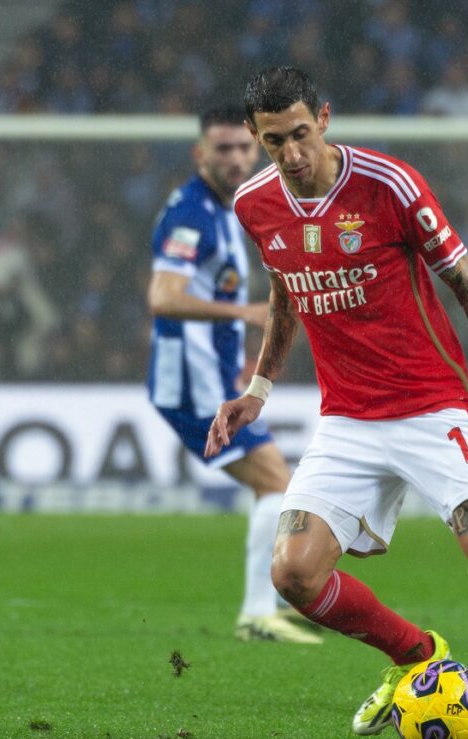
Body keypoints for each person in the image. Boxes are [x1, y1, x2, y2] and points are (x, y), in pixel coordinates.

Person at [205, 66, 468, 739]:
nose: (293, 153)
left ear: (325, 119)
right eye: (276, 141)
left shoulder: (388, 185)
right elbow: (286, 293)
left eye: (302, 134)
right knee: (293, 574)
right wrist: (259, 389)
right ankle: (417, 656)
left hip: (433, 408)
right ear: (255, 137)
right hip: (347, 420)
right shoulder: (254, 203)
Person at [147, 106, 320, 645]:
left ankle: (264, 605)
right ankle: (256, 612)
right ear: (201, 154)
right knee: (277, 484)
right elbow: (164, 297)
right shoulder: (191, 215)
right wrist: (244, 314)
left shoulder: (227, 210)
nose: (237, 158)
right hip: (191, 382)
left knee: (273, 486)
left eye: (243, 148)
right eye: (223, 149)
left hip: (212, 376)